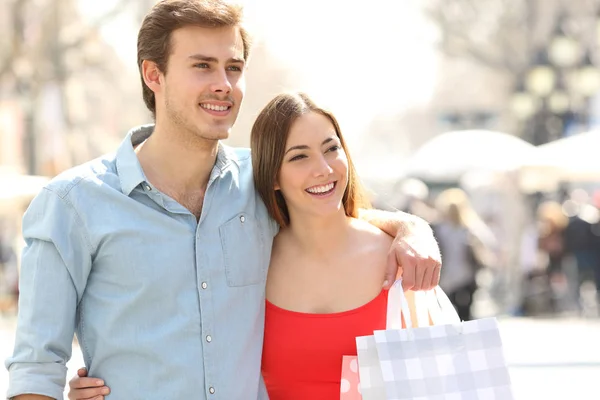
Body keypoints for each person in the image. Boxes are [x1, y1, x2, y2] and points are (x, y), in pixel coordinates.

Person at [6, 1, 441, 400]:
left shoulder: (262, 180)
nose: (223, 85)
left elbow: (334, 212)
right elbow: (35, 370)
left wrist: (411, 228)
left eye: (233, 68)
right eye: (202, 66)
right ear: (153, 75)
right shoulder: (72, 205)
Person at [68, 92, 427, 400]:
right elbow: (187, 338)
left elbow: (440, 370)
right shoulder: (251, 259)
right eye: (299, 156)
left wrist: (413, 227)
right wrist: (108, 381)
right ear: (272, 177)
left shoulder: (399, 259)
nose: (323, 168)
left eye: (331, 149)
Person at [433, 188, 494, 321]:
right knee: (464, 314)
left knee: (448, 314)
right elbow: (489, 242)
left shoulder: (440, 228)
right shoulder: (469, 227)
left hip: (449, 277)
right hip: (462, 276)